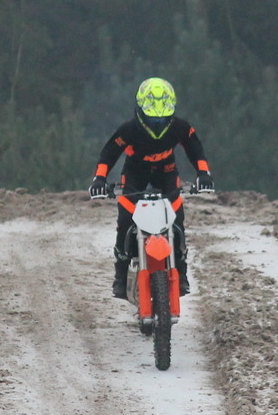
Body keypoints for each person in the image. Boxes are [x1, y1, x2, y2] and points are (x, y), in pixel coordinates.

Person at [88, 77, 214, 299]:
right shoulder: (129, 129)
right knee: (125, 221)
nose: (158, 123)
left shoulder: (180, 127)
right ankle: (120, 276)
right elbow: (109, 153)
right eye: (152, 118)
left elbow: (195, 149)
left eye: (163, 119)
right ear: (140, 109)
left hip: (167, 172)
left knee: (177, 222)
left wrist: (204, 174)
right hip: (135, 173)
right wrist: (99, 179)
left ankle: (181, 274)